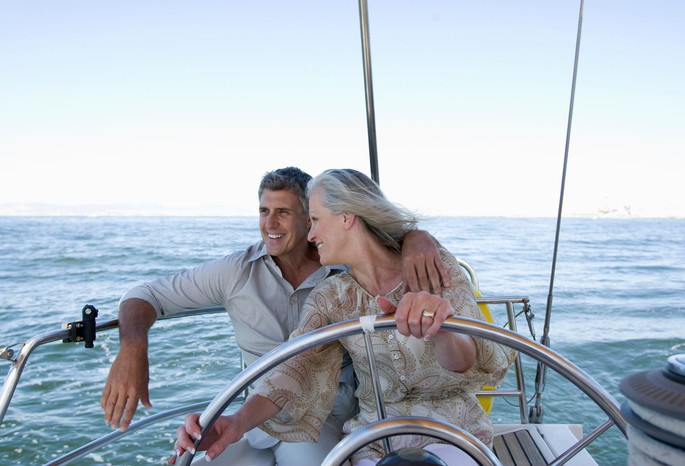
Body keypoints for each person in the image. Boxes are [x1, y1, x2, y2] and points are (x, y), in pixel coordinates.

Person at [102, 166, 448, 465]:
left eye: (283, 212)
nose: (270, 223)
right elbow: (145, 295)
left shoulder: (344, 269)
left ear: (310, 215)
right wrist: (133, 348)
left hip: (324, 417)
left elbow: (379, 245)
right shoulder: (235, 271)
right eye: (263, 210)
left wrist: (417, 237)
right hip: (256, 418)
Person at [172, 168, 514, 465]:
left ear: (347, 217)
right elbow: (294, 369)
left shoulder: (431, 264)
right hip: (375, 439)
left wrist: (442, 329)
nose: (311, 235)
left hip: (452, 430)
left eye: (317, 220)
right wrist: (236, 422)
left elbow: (466, 361)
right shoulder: (331, 297)